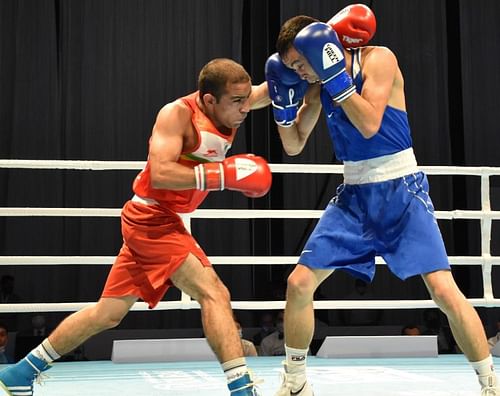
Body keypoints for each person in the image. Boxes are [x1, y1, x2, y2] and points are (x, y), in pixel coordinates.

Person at [264, 4, 499, 395]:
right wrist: (282, 108)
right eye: (291, 68)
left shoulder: (379, 58)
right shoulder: (318, 85)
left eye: (299, 64)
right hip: (354, 196)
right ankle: (295, 381)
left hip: (400, 189)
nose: (298, 73)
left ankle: (490, 382)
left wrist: (336, 79)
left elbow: (371, 124)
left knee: (443, 290)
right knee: (299, 283)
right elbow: (292, 145)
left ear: (320, 48)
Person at [0, 58, 272, 396]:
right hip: (152, 220)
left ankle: (20, 372)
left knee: (108, 313)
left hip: (161, 220)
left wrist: (316, 73)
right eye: (237, 101)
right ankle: (241, 388)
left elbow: (266, 93)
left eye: (246, 99)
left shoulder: (234, 104)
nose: (246, 107)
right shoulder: (177, 115)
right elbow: (160, 172)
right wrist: (223, 175)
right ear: (209, 99)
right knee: (214, 292)